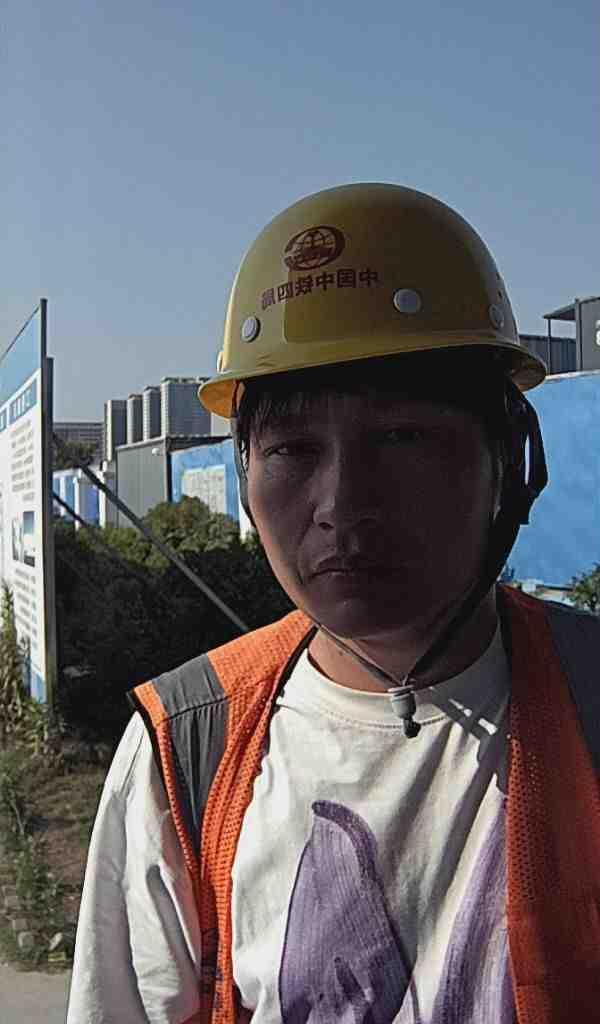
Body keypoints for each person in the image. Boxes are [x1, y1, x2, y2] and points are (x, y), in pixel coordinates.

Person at [67, 184, 600, 1024]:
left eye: (403, 438)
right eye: (292, 449)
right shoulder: (183, 754)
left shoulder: (589, 699)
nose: (343, 506)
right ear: (244, 472)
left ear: (507, 457)